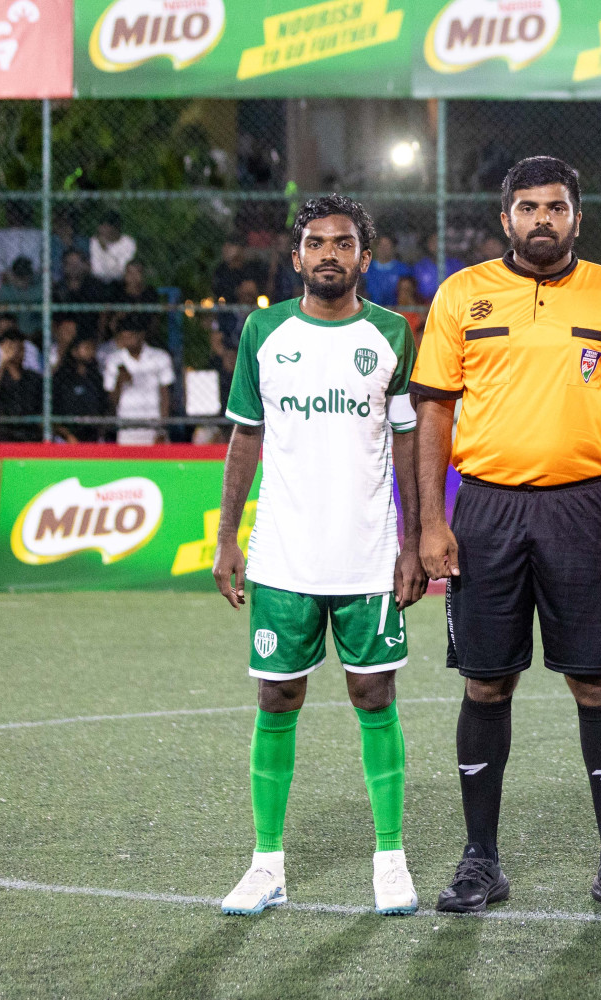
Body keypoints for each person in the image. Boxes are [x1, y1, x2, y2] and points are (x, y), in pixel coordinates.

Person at [412, 156, 601, 916]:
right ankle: (479, 860)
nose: (542, 219)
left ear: (576, 217)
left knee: (596, 679)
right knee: (486, 680)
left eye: (556, 206)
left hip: (586, 508)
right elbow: (433, 413)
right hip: (486, 509)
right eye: (528, 207)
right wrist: (429, 519)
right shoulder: (462, 295)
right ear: (505, 219)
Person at [211, 194, 425, 917]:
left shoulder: (393, 331)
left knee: (375, 695)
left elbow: (404, 440)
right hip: (283, 559)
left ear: (365, 257)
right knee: (278, 696)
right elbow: (246, 436)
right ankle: (266, 863)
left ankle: (389, 858)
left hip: (367, 557)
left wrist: (416, 540)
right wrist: (226, 539)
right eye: (315, 243)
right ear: (296, 256)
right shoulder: (264, 331)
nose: (328, 254)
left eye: (343, 243)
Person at [102, 315, 174, 445]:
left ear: (141, 335)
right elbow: (111, 401)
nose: (127, 341)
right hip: (127, 426)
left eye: (130, 337)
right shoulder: (114, 360)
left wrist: (162, 429)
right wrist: (119, 380)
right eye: (123, 338)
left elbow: (165, 395)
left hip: (153, 423)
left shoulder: (160, 357)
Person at [0, 328, 44, 442]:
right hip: (4, 433)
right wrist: (4, 362)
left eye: (21, 349)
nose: (19, 353)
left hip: (30, 433)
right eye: (14, 349)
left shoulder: (33, 377)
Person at [51, 336, 108, 442]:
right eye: (86, 348)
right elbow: (53, 410)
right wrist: (67, 435)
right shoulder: (61, 378)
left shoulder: (96, 378)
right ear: (74, 352)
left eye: (92, 348)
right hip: (66, 437)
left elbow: (103, 405)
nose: (91, 352)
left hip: (92, 435)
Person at [54, 249, 109, 341]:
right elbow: (53, 320)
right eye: (69, 263)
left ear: (84, 265)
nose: (73, 267)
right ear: (64, 266)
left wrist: (99, 337)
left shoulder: (95, 286)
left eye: (77, 263)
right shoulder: (58, 289)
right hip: (65, 337)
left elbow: (104, 314)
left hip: (91, 335)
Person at [413, 232, 466, 302]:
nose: (436, 245)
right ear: (428, 244)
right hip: (425, 307)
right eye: (433, 242)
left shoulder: (456, 265)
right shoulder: (419, 266)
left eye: (439, 241)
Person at [0, 257, 43, 334]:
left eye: (25, 275)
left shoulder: (39, 289)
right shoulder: (6, 290)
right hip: (13, 332)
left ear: (30, 275)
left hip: (35, 332)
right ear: (13, 275)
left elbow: (42, 316)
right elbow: (2, 314)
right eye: (19, 276)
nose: (22, 279)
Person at [212, 237, 267, 303]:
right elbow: (219, 290)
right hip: (229, 306)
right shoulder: (221, 270)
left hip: (252, 305)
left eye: (230, 247)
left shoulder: (251, 267)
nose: (226, 251)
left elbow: (259, 287)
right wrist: (238, 291)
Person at [363, 235, 411, 308]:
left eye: (387, 245)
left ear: (393, 248)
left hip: (396, 311)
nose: (383, 249)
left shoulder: (403, 269)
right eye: (381, 245)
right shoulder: (366, 268)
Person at [89, 212, 137, 283]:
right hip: (97, 282)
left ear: (115, 228)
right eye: (100, 226)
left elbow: (121, 271)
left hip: (119, 282)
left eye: (105, 227)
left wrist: (104, 249)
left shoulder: (128, 243)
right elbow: (97, 271)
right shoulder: (94, 242)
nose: (100, 230)